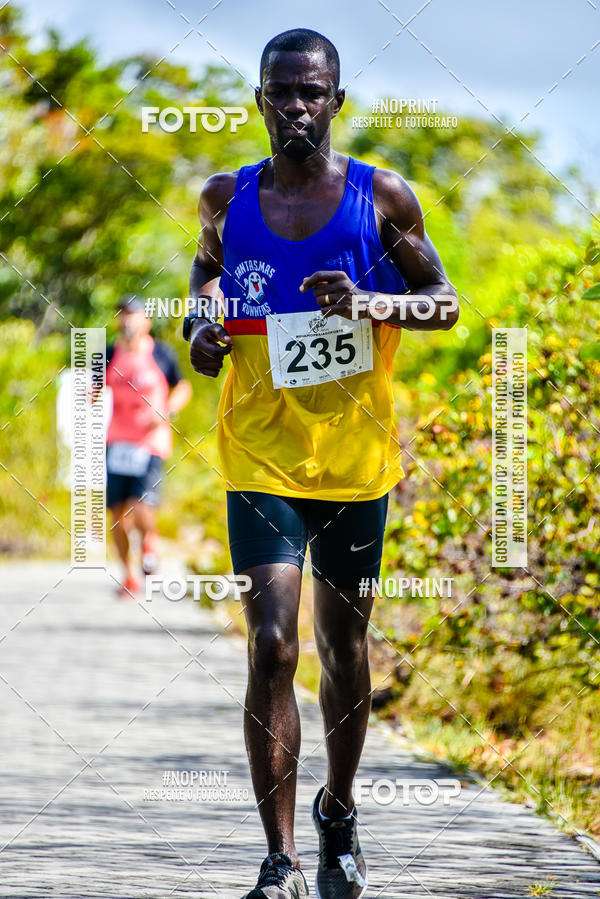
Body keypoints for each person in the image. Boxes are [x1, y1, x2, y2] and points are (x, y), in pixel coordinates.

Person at [183, 28, 458, 899]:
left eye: (313, 91)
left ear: (337, 102)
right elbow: (204, 276)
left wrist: (372, 298)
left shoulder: (383, 198)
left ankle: (338, 810)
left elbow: (443, 302)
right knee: (270, 644)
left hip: (352, 464)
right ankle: (280, 860)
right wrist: (201, 329)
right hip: (259, 453)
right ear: (259, 102)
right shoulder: (227, 197)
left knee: (344, 647)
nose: (297, 105)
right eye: (281, 91)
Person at [106, 295, 191, 597]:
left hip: (150, 443)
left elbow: (182, 387)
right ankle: (128, 575)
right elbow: (89, 388)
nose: (127, 320)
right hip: (117, 443)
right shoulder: (107, 354)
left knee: (143, 505)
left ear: (147, 321)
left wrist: (165, 412)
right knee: (117, 513)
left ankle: (149, 541)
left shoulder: (161, 354)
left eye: (133, 314)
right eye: (123, 314)